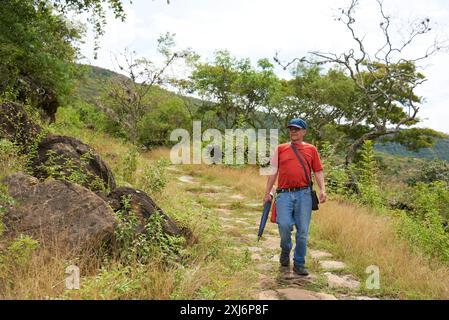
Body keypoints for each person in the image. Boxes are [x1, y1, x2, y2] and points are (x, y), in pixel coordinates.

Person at [263, 118, 327, 276]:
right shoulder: (281, 149)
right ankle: (285, 249)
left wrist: (322, 189)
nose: (293, 131)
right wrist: (267, 192)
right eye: (291, 129)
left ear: (304, 132)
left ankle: (299, 263)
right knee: (284, 225)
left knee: (303, 231)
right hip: (284, 194)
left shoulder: (311, 150)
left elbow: (318, 171)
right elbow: (273, 172)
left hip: (304, 194)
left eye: (297, 129)